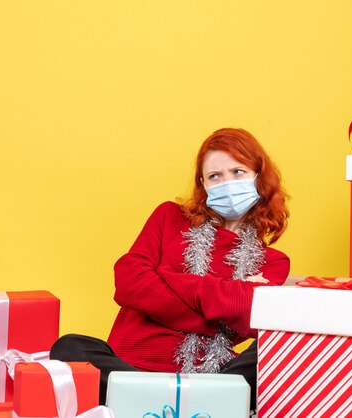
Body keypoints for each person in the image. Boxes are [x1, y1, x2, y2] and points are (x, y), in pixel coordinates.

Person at [50, 127, 290, 409]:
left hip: (210, 376)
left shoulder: (273, 261)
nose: (227, 182)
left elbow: (250, 320)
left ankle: (161, 404)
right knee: (69, 347)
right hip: (131, 370)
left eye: (238, 172)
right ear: (203, 184)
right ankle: (179, 404)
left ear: (259, 178)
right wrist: (227, 302)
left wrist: (167, 278)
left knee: (275, 350)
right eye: (215, 176)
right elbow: (129, 284)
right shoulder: (168, 217)